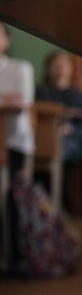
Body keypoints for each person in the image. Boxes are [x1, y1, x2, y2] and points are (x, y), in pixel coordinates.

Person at [35, 50, 82, 161]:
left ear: (71, 68)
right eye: (56, 64)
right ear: (48, 68)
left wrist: (70, 129)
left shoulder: (78, 97)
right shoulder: (39, 93)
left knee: (58, 146)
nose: (60, 68)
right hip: (42, 134)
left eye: (64, 64)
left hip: (68, 138)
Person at [0, 22, 35, 180]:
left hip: (12, 139)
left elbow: (23, 102)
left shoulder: (20, 68)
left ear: (7, 40)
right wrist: (5, 97)